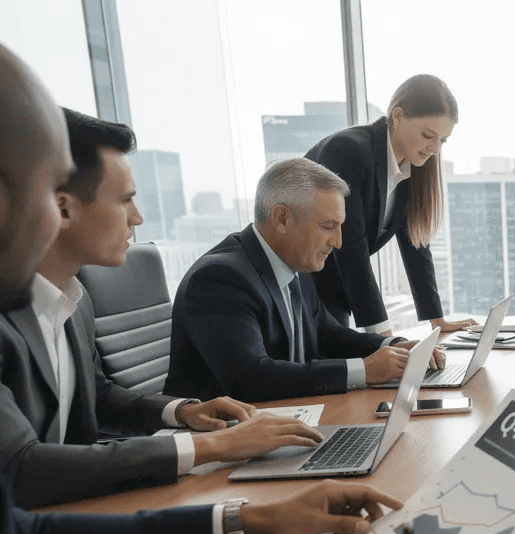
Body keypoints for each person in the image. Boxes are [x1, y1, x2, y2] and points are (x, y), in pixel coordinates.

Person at [0, 43, 452, 534]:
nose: (142, 216)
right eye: (54, 187)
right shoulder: (217, 276)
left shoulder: (65, 303)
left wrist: (249, 519)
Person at [0, 109, 326, 509]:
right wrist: (210, 446)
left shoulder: (75, 300)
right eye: (125, 200)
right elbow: (21, 467)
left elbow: (97, 395)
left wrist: (183, 411)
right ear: (64, 209)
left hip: (79, 511)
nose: (137, 218)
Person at [165, 157, 444, 403]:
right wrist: (366, 370)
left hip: (283, 417)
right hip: (220, 443)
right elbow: (251, 378)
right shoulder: (220, 279)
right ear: (283, 218)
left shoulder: (295, 262)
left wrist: (392, 347)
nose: (337, 242)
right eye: (327, 227)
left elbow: (328, 335)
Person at [305, 74, 474, 336]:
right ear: (397, 117)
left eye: (442, 140)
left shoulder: (409, 164)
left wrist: (437, 320)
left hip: (333, 285)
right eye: (428, 135)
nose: (435, 149)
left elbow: (415, 244)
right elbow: (351, 247)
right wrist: (385, 337)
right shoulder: (347, 151)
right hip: (299, 281)